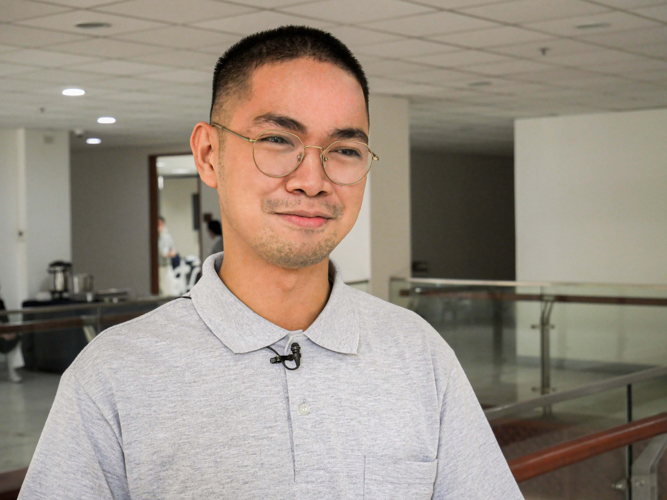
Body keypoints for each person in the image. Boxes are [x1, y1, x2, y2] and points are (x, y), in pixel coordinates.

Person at [19, 26, 523, 499]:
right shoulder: (114, 374)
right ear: (209, 154)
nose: (312, 179)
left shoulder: (419, 356)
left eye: (345, 149)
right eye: (279, 140)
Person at [157, 215, 178, 296]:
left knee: (169, 291)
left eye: (160, 224)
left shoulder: (167, 237)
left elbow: (173, 251)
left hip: (165, 266)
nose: (159, 226)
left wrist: (169, 253)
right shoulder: (152, 237)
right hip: (156, 267)